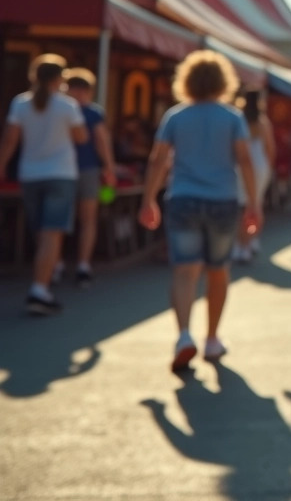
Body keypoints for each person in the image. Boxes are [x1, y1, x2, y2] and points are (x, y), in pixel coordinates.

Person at [138, 51, 260, 371]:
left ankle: (182, 335)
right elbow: (245, 161)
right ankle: (213, 338)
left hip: (183, 198)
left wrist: (148, 198)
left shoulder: (176, 116)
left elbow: (158, 160)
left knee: (184, 270)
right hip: (223, 200)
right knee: (218, 270)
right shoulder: (232, 117)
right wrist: (255, 204)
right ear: (223, 82)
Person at [0, 54, 87, 315]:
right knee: (52, 232)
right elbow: (82, 137)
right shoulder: (67, 105)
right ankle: (40, 287)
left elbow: (9, 140)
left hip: (31, 174)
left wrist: (2, 166)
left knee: (42, 231)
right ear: (59, 78)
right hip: (60, 174)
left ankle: (49, 273)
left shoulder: (21, 104)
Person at [63, 68, 117, 287]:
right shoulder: (91, 113)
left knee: (58, 223)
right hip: (86, 170)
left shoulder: (60, 109)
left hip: (63, 171)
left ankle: (58, 264)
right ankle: (82, 265)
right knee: (87, 221)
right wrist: (109, 168)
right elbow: (102, 142)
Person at [233, 91, 275, 264]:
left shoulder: (238, 118)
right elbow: (270, 148)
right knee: (256, 204)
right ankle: (250, 242)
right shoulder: (263, 121)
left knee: (240, 206)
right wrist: (270, 167)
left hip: (239, 165)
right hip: (259, 164)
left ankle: (239, 243)